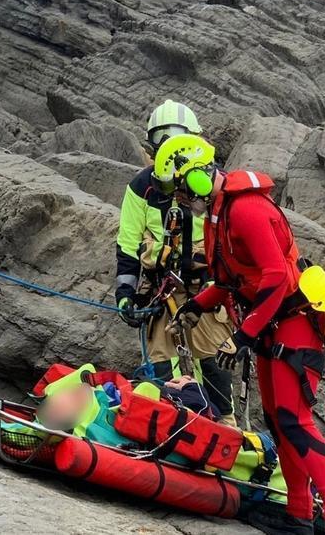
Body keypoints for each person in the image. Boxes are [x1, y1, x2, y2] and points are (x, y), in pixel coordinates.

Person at [157, 134, 325, 535]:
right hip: (271, 326)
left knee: (294, 422)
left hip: (293, 326)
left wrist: (244, 334)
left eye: (181, 187)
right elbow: (231, 280)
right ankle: (299, 515)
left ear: (197, 178)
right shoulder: (219, 213)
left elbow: (276, 279)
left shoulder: (246, 210)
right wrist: (196, 307)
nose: (179, 198)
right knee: (278, 421)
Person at [113, 100, 237, 424]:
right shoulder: (142, 188)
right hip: (163, 296)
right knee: (161, 370)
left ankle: (226, 429)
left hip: (206, 293)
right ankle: (167, 428)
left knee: (211, 361)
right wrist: (126, 293)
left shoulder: (212, 185)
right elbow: (128, 244)